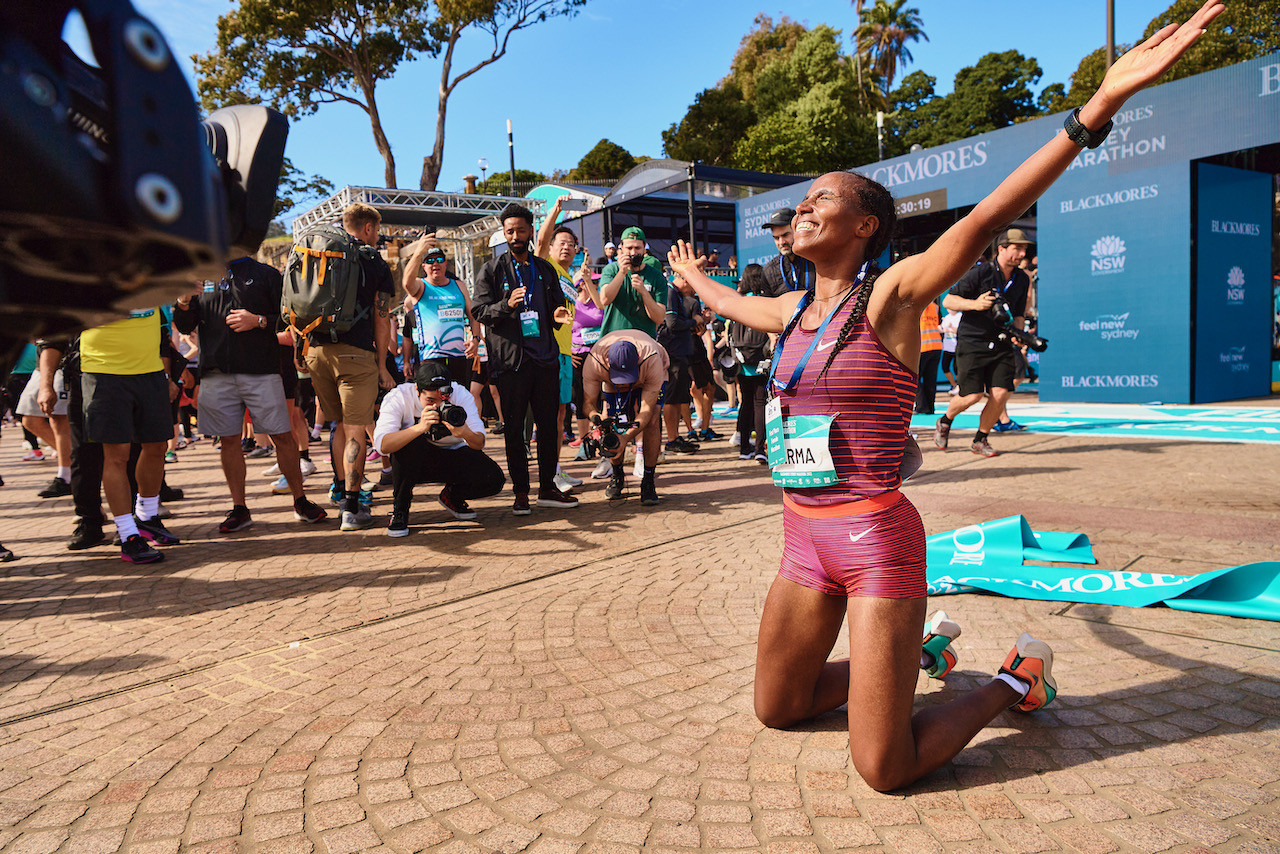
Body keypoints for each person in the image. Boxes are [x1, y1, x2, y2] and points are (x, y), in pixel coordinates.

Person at [663, 0, 1221, 791]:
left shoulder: (889, 293)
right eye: (805, 200)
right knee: (778, 706)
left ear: (865, 227)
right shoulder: (791, 311)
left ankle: (1015, 677)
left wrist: (1099, 107)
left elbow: (990, 212)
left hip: (873, 541)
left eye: (827, 198)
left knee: (883, 768)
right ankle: (913, 654)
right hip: (802, 539)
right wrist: (690, 278)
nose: (808, 207)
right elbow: (729, 305)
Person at [173, 258, 327, 532]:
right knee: (229, 441)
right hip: (216, 373)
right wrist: (183, 302)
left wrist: (258, 321)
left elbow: (288, 317)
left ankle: (300, 501)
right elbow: (185, 326)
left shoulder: (265, 274)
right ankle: (239, 508)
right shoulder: (200, 273)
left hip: (262, 371)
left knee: (281, 436)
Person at [471, 203, 579, 515]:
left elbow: (558, 309)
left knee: (548, 428)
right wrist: (505, 305)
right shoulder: (492, 270)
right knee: (516, 430)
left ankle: (547, 488)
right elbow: (480, 312)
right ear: (504, 235)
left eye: (520, 230)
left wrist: (559, 316)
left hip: (545, 359)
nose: (515, 236)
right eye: (510, 231)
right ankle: (521, 492)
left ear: (530, 231)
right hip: (511, 364)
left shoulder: (544, 270)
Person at [303, 203, 396, 531]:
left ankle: (340, 489)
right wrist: (382, 364)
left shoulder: (319, 254)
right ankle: (352, 507)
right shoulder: (374, 261)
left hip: (316, 352)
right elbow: (381, 316)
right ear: (369, 228)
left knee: (338, 425)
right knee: (357, 427)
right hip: (356, 354)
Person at [372, 360, 505, 537]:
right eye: (430, 400)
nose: (436, 406)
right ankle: (400, 510)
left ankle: (452, 496)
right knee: (408, 442)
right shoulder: (399, 397)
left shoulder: (460, 394)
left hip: (451, 457)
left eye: (442, 400)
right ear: (417, 390)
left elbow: (479, 443)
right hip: (415, 462)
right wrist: (419, 427)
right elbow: (382, 445)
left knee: (494, 478)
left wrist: (464, 432)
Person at [933, 229, 1033, 457]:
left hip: (1001, 342)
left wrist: (1018, 334)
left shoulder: (1021, 279)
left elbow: (1018, 313)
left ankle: (980, 439)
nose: (1022, 252)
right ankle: (945, 421)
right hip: (973, 341)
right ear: (1001, 248)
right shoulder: (981, 272)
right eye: (1017, 248)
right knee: (972, 395)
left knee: (1000, 393)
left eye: (1024, 248)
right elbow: (949, 300)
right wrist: (976, 304)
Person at [582, 331, 668, 506]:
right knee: (612, 423)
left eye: (626, 377)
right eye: (620, 378)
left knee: (652, 422)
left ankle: (648, 481)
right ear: (608, 363)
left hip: (651, 372)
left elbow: (646, 411)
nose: (623, 383)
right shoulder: (595, 360)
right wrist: (598, 420)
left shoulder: (652, 359)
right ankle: (617, 475)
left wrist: (626, 438)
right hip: (610, 377)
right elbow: (588, 404)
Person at [401, 239, 480, 382]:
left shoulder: (459, 285)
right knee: (434, 401)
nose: (435, 263)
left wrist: (475, 339)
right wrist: (418, 252)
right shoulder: (420, 285)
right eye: (430, 261)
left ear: (445, 264)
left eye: (439, 259)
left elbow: (473, 316)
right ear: (423, 266)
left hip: (458, 357)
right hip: (431, 358)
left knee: (459, 400)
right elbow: (407, 283)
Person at [730, 264, 772, 462]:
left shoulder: (739, 303)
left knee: (745, 403)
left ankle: (744, 448)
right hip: (760, 361)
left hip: (741, 362)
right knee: (759, 403)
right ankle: (760, 449)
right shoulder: (765, 301)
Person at [597, 227, 667, 339]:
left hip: (644, 342)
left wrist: (644, 292)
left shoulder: (656, 276)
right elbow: (605, 299)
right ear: (621, 247)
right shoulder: (611, 270)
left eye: (637, 248)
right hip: (613, 339)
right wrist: (621, 273)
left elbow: (659, 318)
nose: (633, 252)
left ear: (644, 248)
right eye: (629, 248)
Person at [761, 207, 816, 298]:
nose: (781, 242)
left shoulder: (817, 260)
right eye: (776, 238)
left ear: (797, 230)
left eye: (785, 235)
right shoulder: (769, 271)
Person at [915, 299, 943, 415]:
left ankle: (921, 406)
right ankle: (930, 407)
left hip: (923, 346)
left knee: (915, 378)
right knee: (930, 379)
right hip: (936, 345)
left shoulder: (918, 305)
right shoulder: (935, 307)